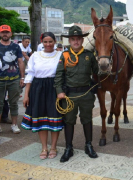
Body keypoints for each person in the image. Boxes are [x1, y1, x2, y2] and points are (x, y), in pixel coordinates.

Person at [54, 25, 99, 162]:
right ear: (70, 41)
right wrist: (59, 92)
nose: (76, 42)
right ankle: (69, 148)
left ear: (82, 40)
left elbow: (97, 73)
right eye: (73, 39)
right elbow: (58, 76)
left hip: (86, 94)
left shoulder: (89, 55)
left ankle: (88, 145)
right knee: (69, 121)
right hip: (70, 95)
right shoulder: (65, 55)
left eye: (78, 39)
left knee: (87, 119)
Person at [21, 32, 63, 159]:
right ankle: (44, 147)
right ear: (42, 42)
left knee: (54, 118)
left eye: (50, 41)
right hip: (37, 88)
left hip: (54, 88)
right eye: (45, 42)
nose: (48, 44)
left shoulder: (61, 55)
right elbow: (30, 75)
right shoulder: (35, 56)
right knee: (40, 118)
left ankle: (54, 146)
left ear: (55, 41)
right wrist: (26, 95)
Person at [0, 25, 24, 134]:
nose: (5, 34)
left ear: (10, 34)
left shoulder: (16, 46)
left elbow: (20, 62)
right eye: (3, 32)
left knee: (13, 103)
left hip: (14, 78)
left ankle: (14, 125)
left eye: (7, 32)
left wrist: (22, 77)